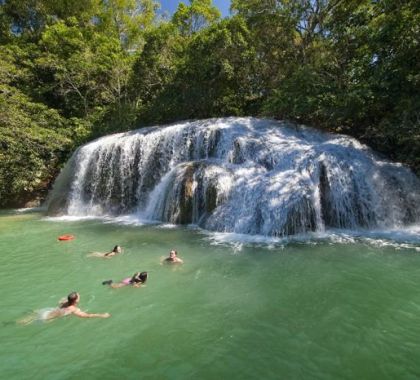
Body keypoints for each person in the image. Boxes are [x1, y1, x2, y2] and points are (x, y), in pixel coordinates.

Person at [19, 292, 110, 324]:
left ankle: (17, 321)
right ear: (75, 301)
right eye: (79, 297)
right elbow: (86, 315)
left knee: (31, 317)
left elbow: (60, 301)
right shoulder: (73, 309)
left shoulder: (65, 302)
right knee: (28, 322)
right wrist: (101, 315)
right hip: (46, 318)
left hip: (47, 310)